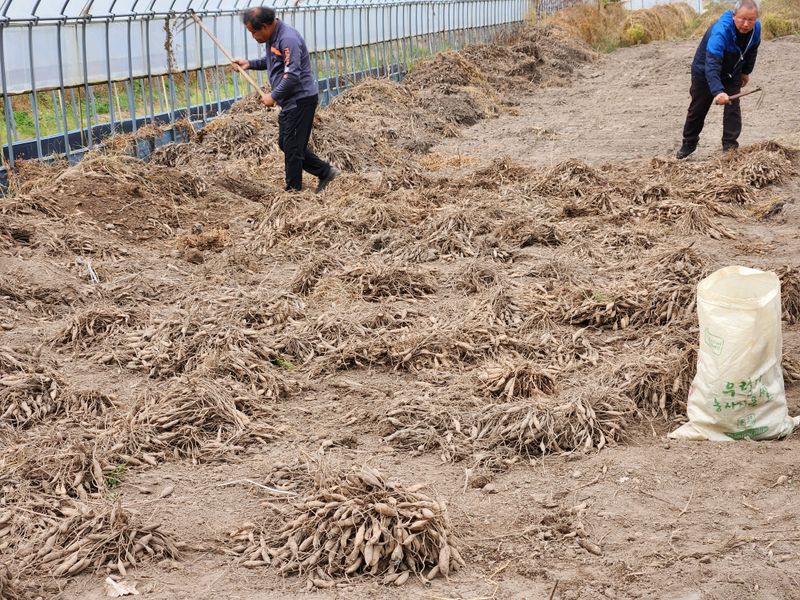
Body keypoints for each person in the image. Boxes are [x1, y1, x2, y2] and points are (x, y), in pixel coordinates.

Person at [233, 7, 340, 192]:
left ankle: (293, 192)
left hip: (301, 100)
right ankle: (325, 171)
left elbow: (292, 76)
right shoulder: (273, 37)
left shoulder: (287, 39)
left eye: (253, 32)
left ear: (265, 26)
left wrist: (273, 96)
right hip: (290, 101)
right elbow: (271, 61)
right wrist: (249, 64)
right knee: (287, 144)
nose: (253, 36)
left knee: (292, 149)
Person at [676, 0, 761, 160]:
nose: (746, 24)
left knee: (733, 109)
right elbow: (712, 64)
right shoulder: (720, 31)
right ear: (734, 15)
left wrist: (745, 72)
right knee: (698, 108)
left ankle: (730, 147)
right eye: (742, 18)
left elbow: (752, 51)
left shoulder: (756, 29)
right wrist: (717, 91)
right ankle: (689, 143)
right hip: (704, 70)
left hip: (732, 71)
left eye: (751, 20)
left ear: (756, 19)